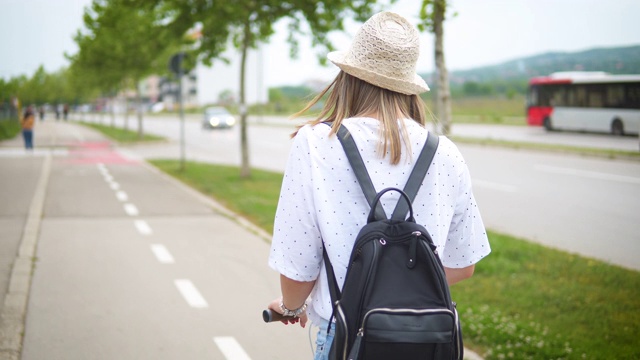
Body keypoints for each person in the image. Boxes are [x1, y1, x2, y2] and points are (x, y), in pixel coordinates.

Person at [266, 11, 491, 359]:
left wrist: (291, 307)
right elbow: (462, 263)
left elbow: (298, 266)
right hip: (427, 343)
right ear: (408, 86)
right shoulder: (445, 153)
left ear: (349, 76)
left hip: (346, 339)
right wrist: (400, 297)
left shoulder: (315, 145)